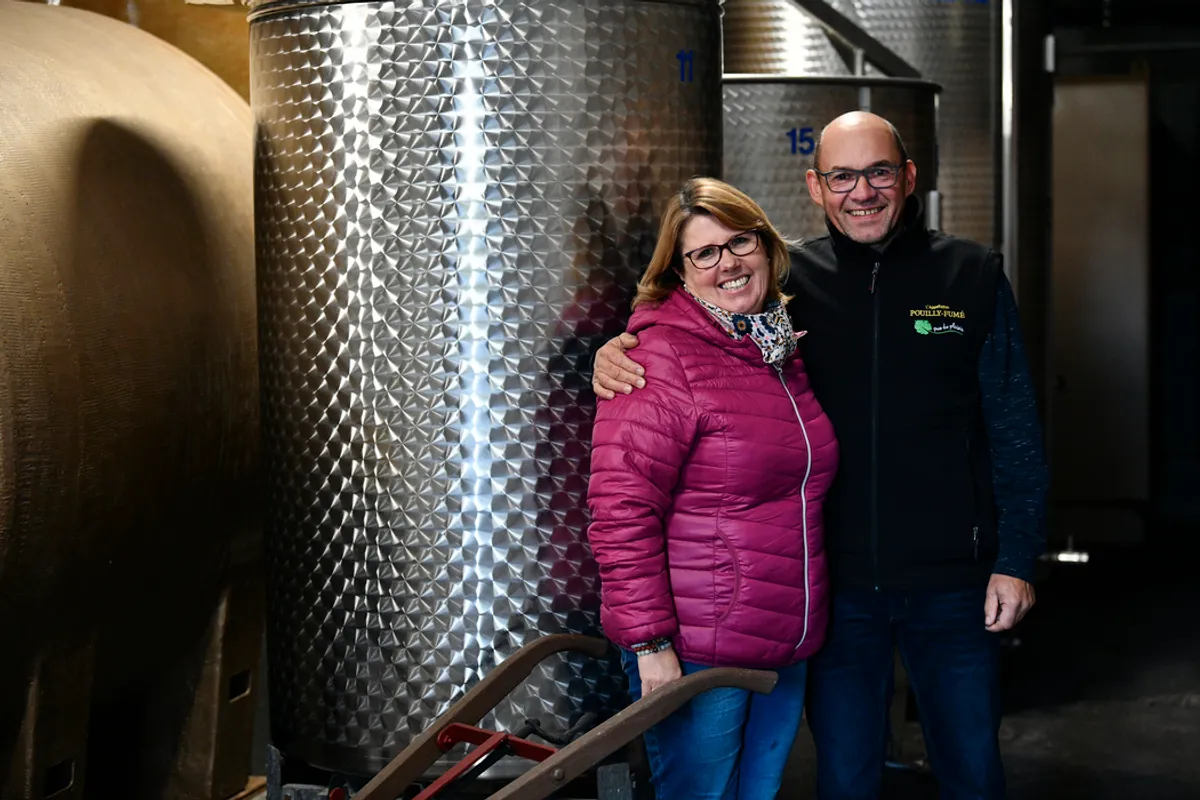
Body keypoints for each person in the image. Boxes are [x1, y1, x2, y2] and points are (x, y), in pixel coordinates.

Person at [591, 112, 1049, 800]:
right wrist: (616, 349)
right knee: (845, 778)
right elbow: (686, 329)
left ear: (908, 177)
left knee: (973, 771)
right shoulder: (785, 284)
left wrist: (1016, 558)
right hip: (834, 590)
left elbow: (1014, 428)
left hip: (955, 581)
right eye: (842, 176)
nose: (862, 191)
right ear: (815, 186)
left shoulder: (971, 275)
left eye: (879, 172)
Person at [586, 177, 840, 800]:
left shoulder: (776, 349)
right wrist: (649, 644)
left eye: (740, 242)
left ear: (766, 246)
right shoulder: (658, 359)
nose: (727, 263)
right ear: (679, 271)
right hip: (701, 649)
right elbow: (621, 509)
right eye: (704, 253)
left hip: (784, 639)